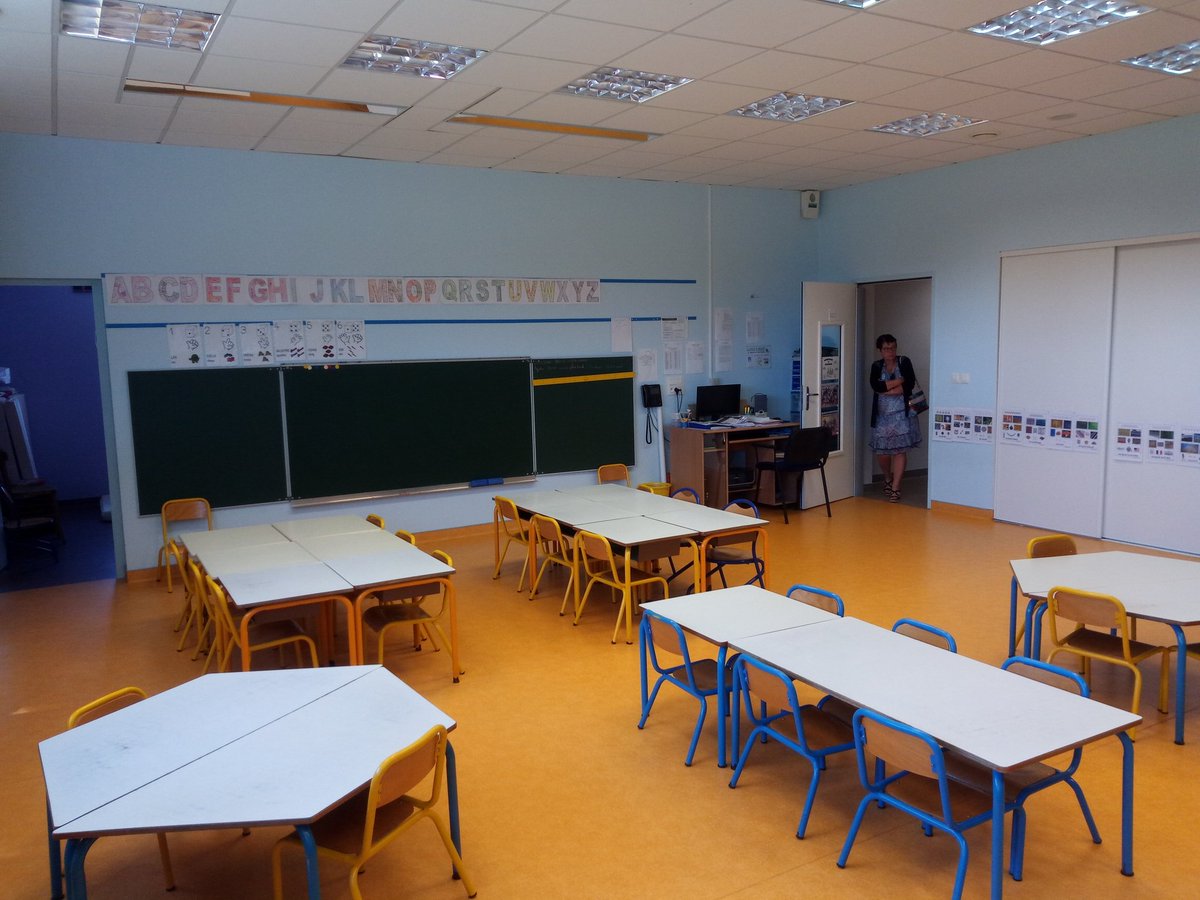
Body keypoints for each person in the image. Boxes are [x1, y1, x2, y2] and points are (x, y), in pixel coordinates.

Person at [868, 333, 922, 503]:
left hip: (902, 415)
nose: (890, 351)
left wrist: (887, 389)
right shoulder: (876, 366)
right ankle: (887, 478)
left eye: (892, 348)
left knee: (899, 451)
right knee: (882, 451)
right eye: (886, 348)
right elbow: (876, 386)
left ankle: (896, 487)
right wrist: (899, 381)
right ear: (880, 350)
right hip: (882, 415)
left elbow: (909, 384)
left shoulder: (904, 361)